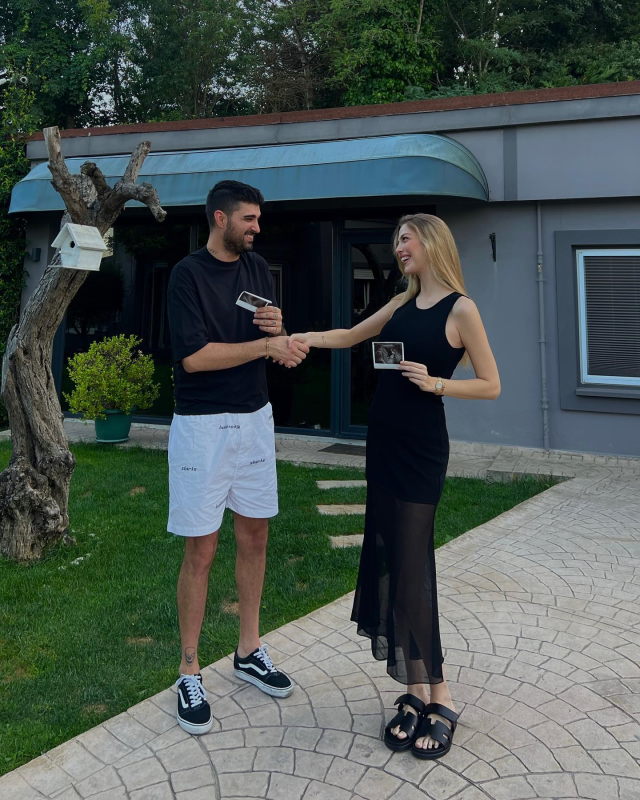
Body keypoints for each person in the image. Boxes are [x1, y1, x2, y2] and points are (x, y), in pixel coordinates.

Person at [289, 214, 500, 759]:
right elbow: (349, 335)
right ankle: (413, 690)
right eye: (397, 241)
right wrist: (304, 337)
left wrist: (436, 383)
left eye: (406, 238)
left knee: (412, 568)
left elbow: (491, 384)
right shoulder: (400, 303)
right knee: (392, 562)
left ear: (431, 241)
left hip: (421, 451)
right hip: (382, 445)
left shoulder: (461, 309)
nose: (399, 247)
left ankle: (441, 696)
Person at [167, 180, 310, 735]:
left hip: (255, 420)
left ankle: (248, 650)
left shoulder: (256, 268)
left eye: (258, 219)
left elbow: (266, 325)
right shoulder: (187, 275)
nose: (257, 228)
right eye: (248, 219)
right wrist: (266, 346)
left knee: (255, 535)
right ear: (220, 218)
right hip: (203, 427)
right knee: (201, 548)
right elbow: (195, 358)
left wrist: (277, 330)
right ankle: (188, 670)